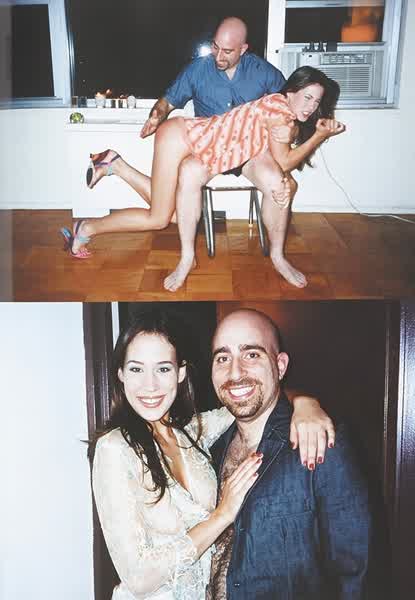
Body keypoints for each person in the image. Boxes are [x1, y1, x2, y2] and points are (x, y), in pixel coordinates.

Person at [92, 308, 335, 599]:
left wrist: (306, 403)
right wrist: (222, 515)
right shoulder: (114, 448)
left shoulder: (192, 432)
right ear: (120, 374)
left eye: (163, 369)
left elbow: (252, 398)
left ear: (181, 373)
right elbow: (138, 579)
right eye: (136, 369)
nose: (150, 385)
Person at [208, 308, 372, 599]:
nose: (234, 372)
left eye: (251, 354)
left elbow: (355, 571)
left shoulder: (322, 441)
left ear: (280, 365)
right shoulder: (208, 447)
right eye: (223, 358)